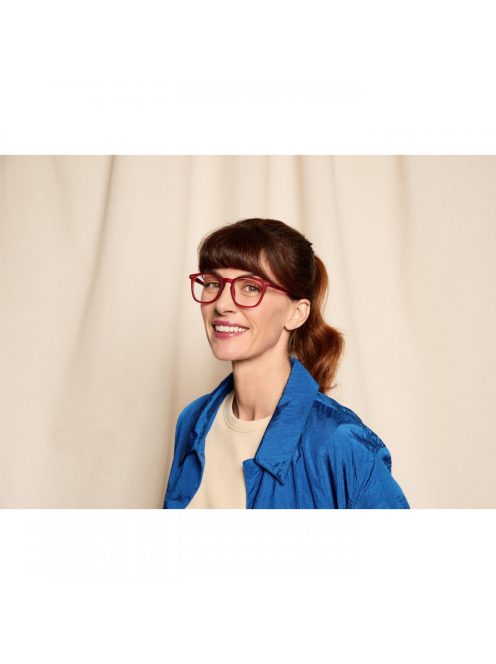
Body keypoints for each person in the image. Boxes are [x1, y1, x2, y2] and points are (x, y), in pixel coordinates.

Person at [163, 218, 409, 509]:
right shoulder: (193, 421)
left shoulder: (339, 442)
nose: (222, 304)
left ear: (297, 313)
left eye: (250, 287)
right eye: (213, 283)